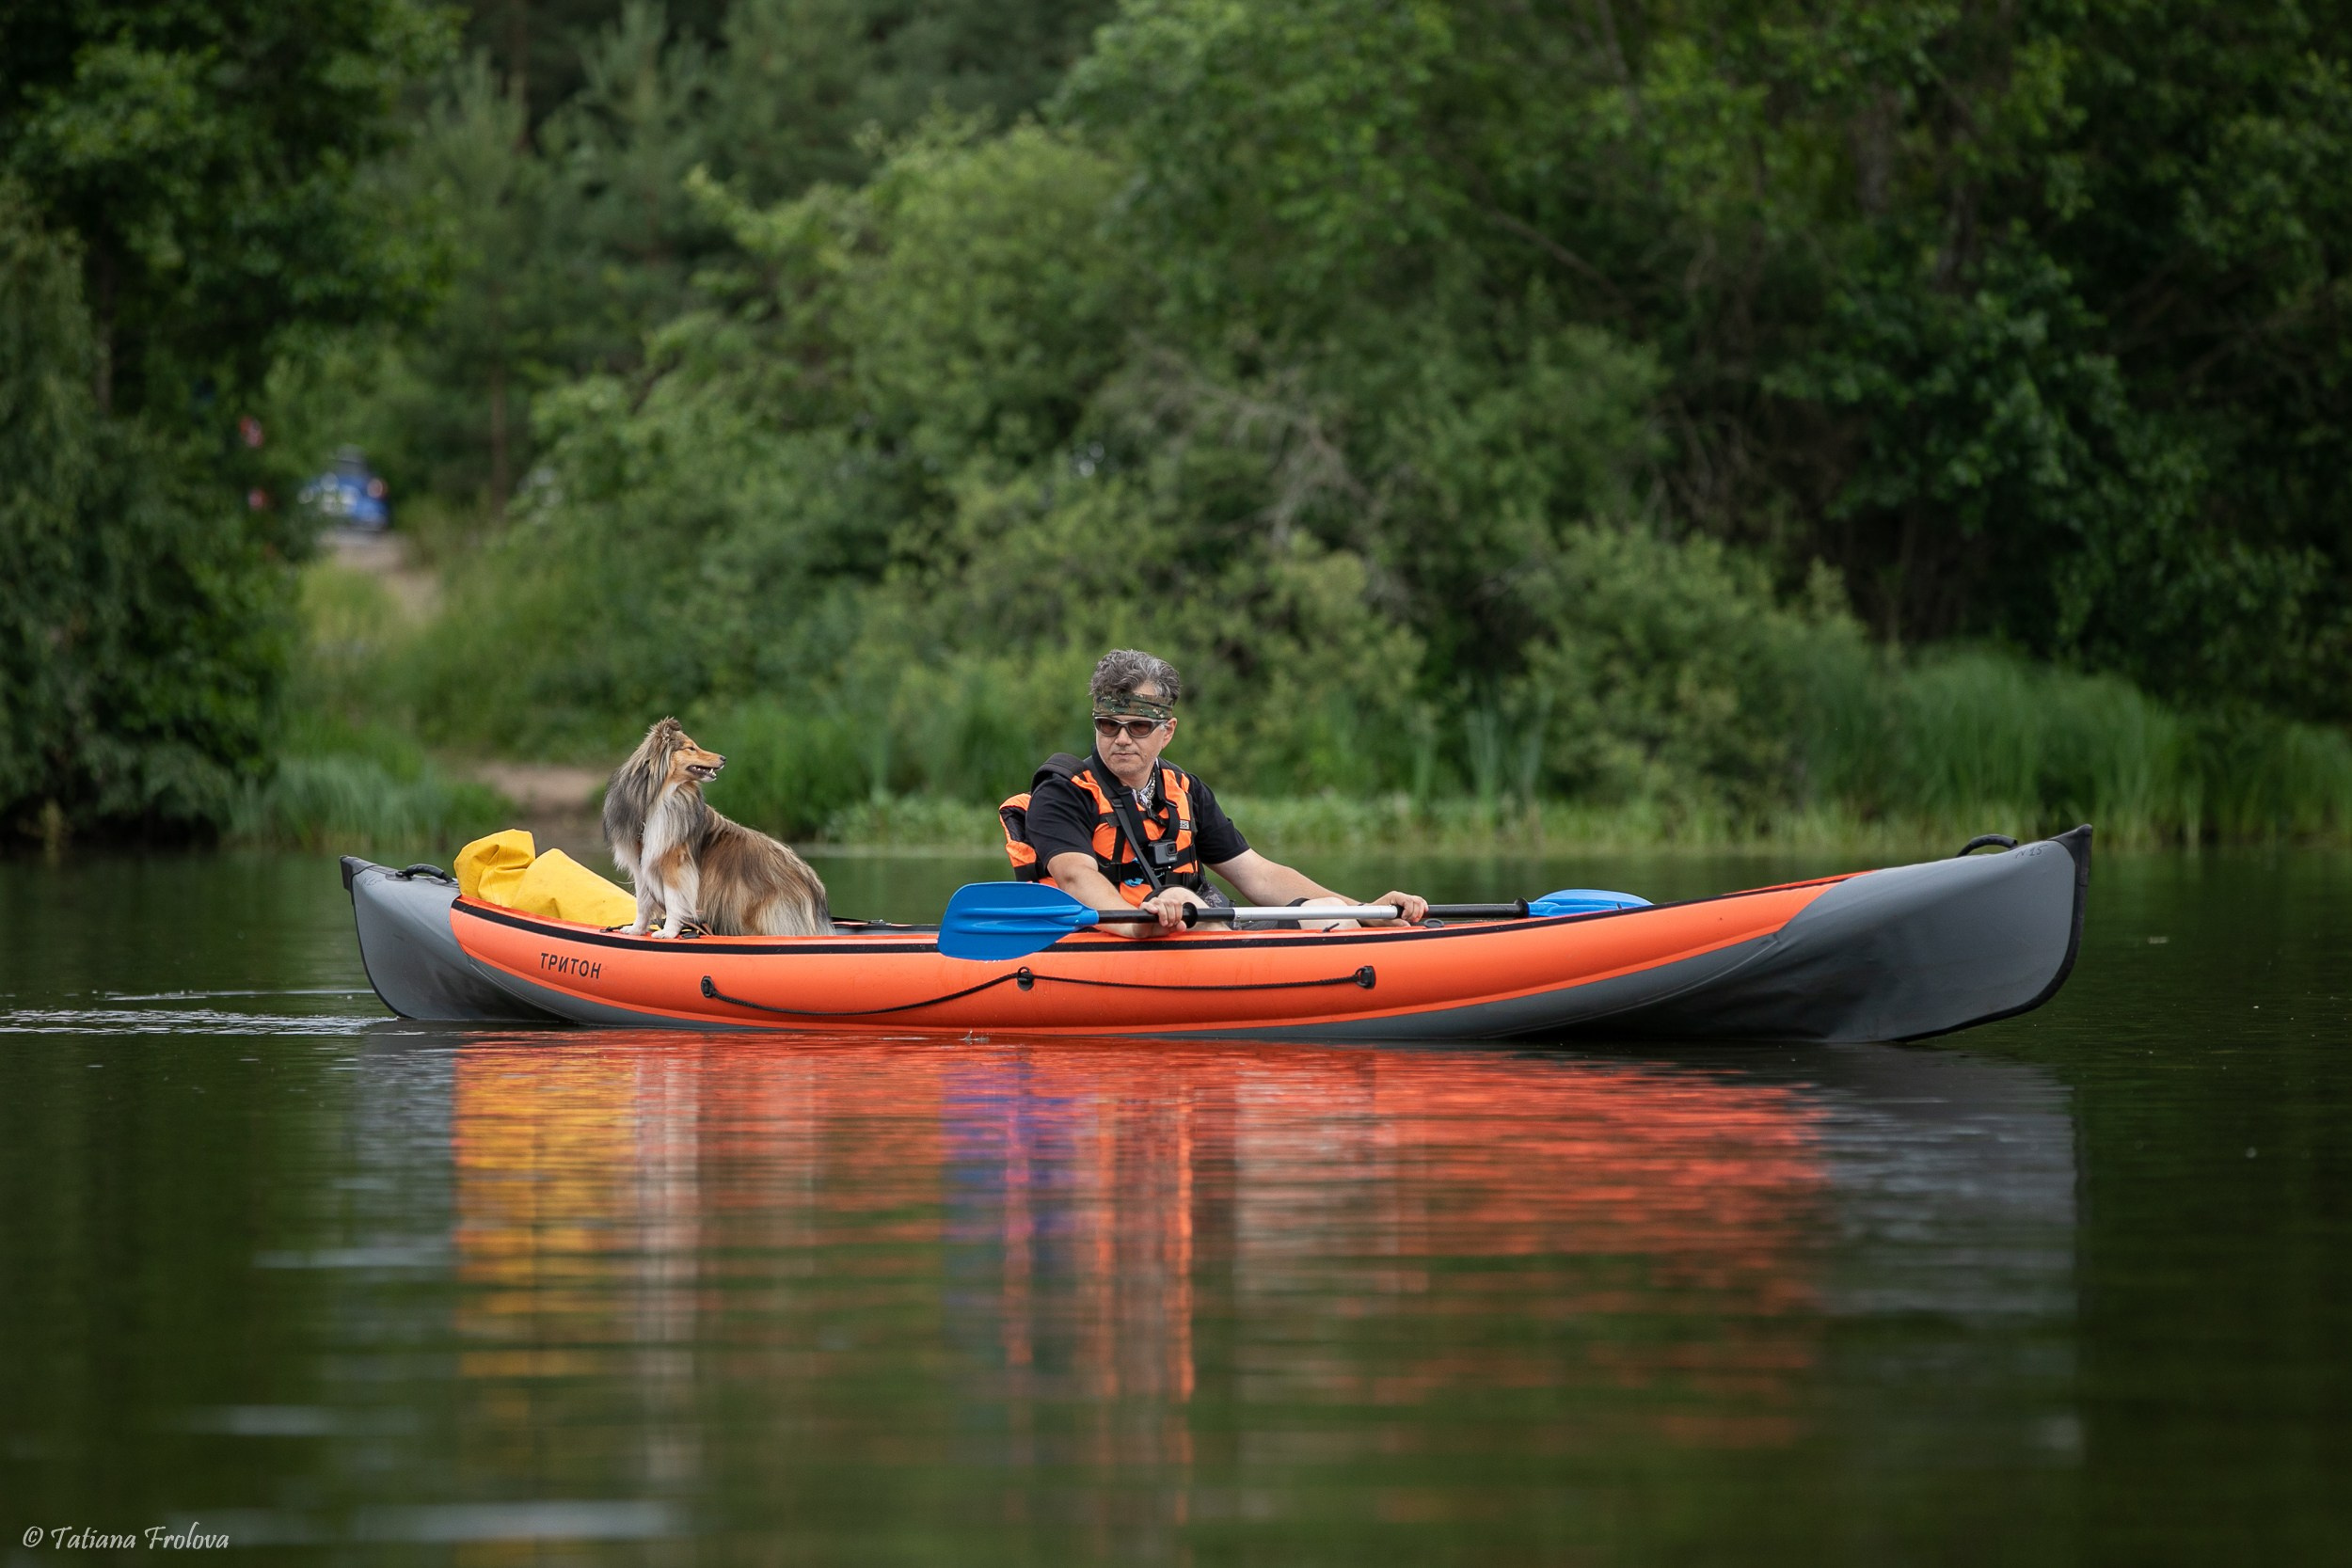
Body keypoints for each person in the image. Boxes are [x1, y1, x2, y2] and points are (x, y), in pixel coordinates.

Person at [1001, 649, 1429, 935]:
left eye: (1139, 727)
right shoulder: (1062, 791)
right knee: (1187, 901)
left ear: (1166, 732)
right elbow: (1076, 879)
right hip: (1122, 938)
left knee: (1332, 913)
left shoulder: (1184, 790)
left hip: (1194, 931)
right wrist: (1141, 921)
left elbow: (1257, 875)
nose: (1122, 739)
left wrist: (1367, 912)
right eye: (1108, 725)